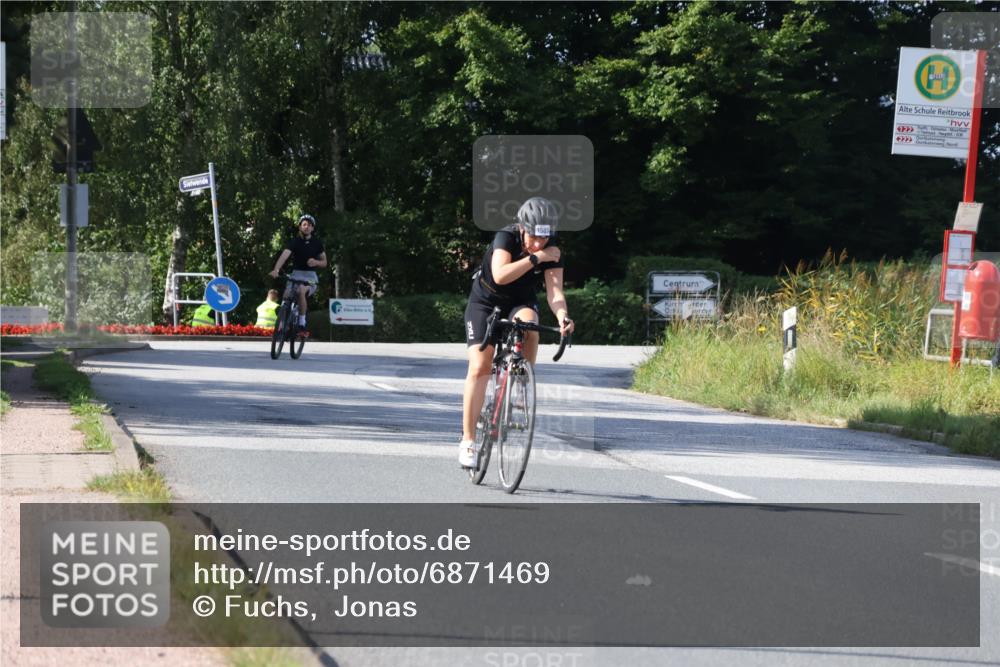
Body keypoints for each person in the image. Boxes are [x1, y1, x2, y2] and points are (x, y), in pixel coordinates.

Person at [459, 196, 575, 468]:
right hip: (485, 302)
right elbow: (500, 275)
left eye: (544, 239)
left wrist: (562, 315)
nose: (538, 243)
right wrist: (537, 257)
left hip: (520, 302)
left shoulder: (551, 247)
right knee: (480, 366)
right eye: (533, 237)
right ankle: (468, 440)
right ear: (522, 228)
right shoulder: (506, 236)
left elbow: (554, 291)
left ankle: (521, 383)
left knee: (531, 326)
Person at [269, 214, 327, 331]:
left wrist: (316, 262)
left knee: (301, 290)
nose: (306, 227)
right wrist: (276, 269)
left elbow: (324, 262)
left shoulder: (317, 243)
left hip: (310, 277)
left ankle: (301, 321)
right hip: (296, 274)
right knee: (286, 294)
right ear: (300, 227)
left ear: (312, 228)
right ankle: (283, 321)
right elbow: (284, 256)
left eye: (309, 225)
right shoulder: (295, 242)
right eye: (304, 224)